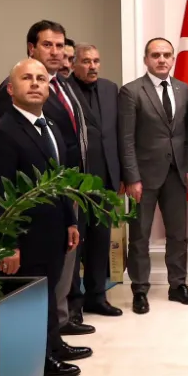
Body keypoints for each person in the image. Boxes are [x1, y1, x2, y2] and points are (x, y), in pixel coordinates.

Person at [0, 59, 84, 376]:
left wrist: (70, 221)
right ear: (11, 89)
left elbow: (61, 180)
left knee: (45, 307)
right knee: (23, 318)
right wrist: (6, 244)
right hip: (22, 243)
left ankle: (41, 370)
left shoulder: (49, 127)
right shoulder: (1, 134)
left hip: (53, 235)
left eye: (41, 78)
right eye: (27, 78)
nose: (36, 83)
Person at [0, 20, 95, 336]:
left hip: (67, 190)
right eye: (47, 45)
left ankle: (60, 327)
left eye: (59, 45)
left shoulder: (62, 84)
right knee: (45, 275)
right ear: (32, 48)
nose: (55, 51)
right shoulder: (16, 89)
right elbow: (14, 148)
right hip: (37, 201)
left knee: (63, 266)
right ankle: (50, 336)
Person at [118, 37, 188, 314]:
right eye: (156, 55)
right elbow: (126, 139)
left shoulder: (182, 88)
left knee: (178, 234)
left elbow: (187, 134)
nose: (162, 60)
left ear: (173, 59)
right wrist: (132, 177)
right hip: (143, 176)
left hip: (177, 173)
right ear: (146, 60)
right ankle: (140, 289)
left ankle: (178, 285)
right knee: (140, 235)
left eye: (166, 55)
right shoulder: (131, 91)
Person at [66, 43, 124, 318]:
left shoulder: (111, 89)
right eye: (86, 61)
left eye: (96, 61)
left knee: (101, 240)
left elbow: (118, 134)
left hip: (106, 178)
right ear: (74, 64)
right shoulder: (64, 89)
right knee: (76, 244)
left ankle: (97, 296)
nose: (93, 66)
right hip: (77, 180)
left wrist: (121, 174)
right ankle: (73, 304)